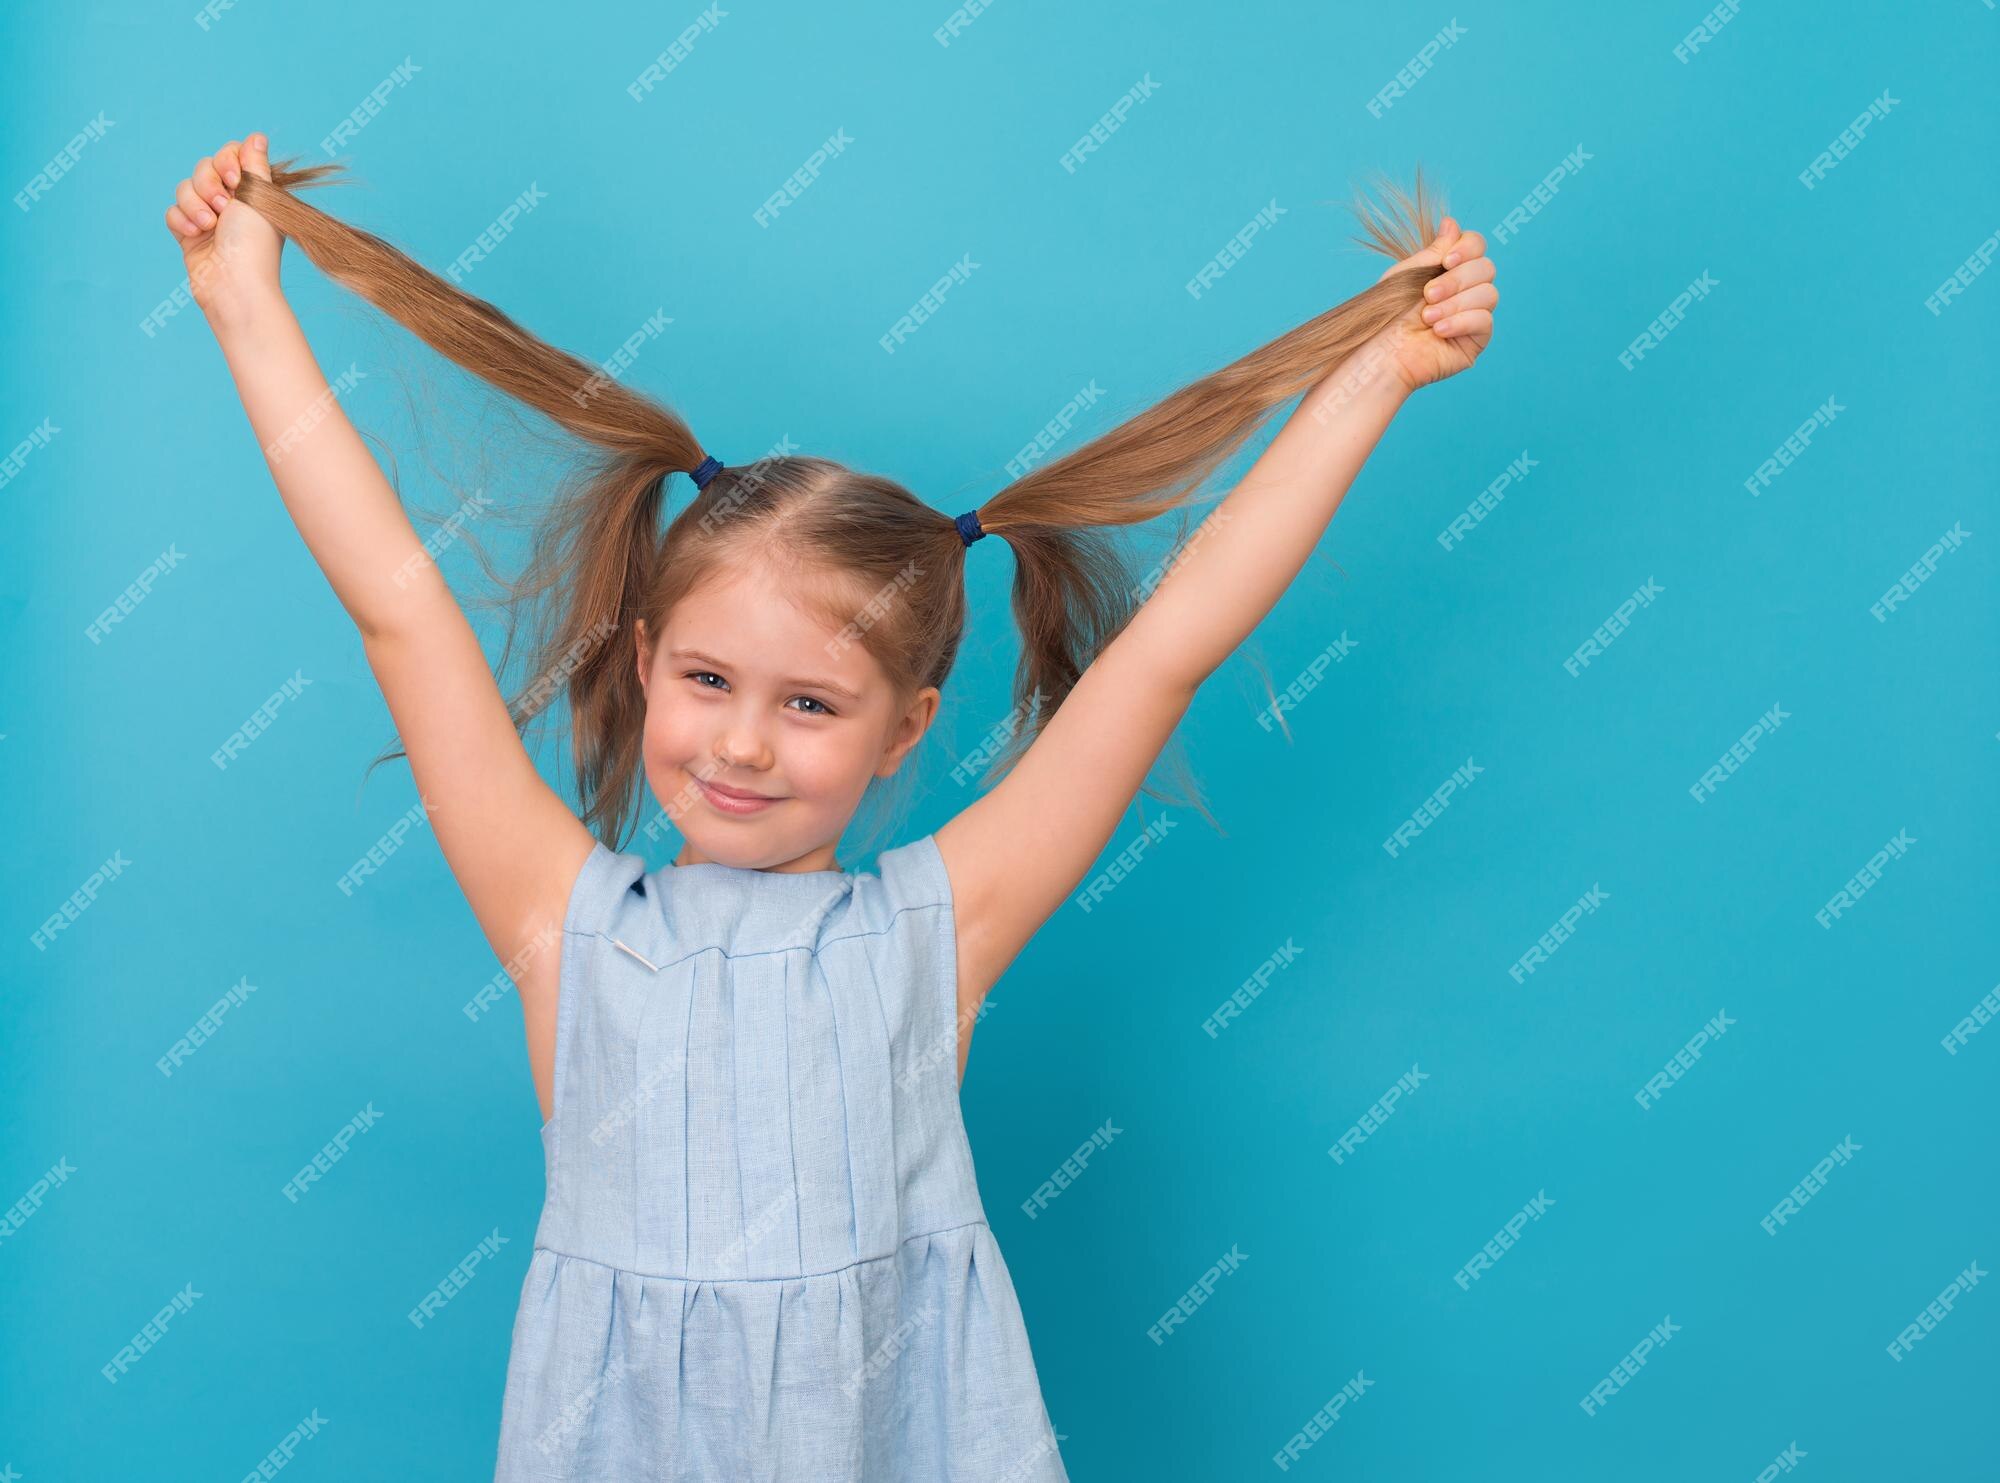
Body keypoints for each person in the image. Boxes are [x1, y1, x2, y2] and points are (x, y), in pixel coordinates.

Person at [164, 131, 1497, 1480]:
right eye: (707, 679)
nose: (743, 743)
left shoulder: (937, 931)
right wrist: (246, 306)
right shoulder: (559, 922)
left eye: (810, 704)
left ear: (901, 730)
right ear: (643, 664)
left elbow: (1168, 650)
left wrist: (1382, 370)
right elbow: (401, 613)